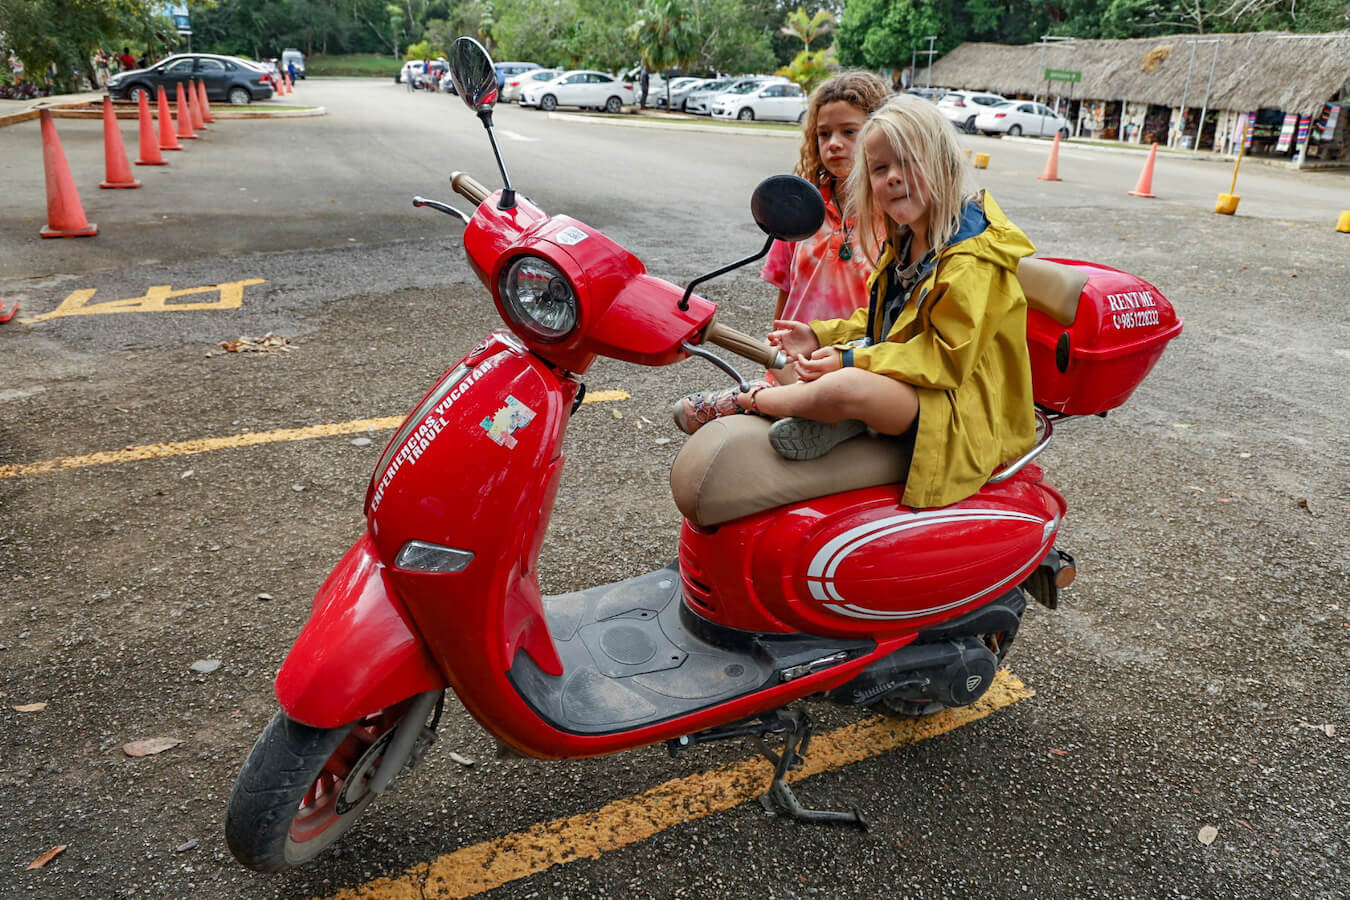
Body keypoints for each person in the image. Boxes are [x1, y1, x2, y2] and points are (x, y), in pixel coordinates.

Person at [673, 95, 1038, 509]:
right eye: (881, 169)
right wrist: (818, 334)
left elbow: (946, 359)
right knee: (820, 366)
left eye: (909, 162)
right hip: (918, 385)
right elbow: (887, 321)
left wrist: (852, 361)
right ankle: (832, 417)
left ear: (945, 164)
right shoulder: (910, 236)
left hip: (958, 408)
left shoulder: (970, 259)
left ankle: (750, 400)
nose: (894, 178)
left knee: (846, 382)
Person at [758, 71, 892, 383]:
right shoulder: (799, 205)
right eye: (823, 134)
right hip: (793, 366)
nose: (834, 144)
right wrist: (773, 360)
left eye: (849, 132)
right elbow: (785, 290)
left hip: (856, 370)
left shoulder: (896, 215)